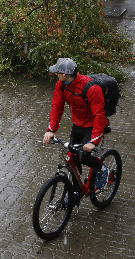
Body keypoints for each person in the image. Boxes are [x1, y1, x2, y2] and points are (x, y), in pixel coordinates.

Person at [42, 58, 109, 190]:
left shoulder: (92, 88)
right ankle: (77, 191)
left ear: (65, 75)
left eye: (58, 72)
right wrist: (51, 129)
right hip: (77, 124)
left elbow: (99, 115)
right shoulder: (61, 84)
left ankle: (102, 169)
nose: (56, 74)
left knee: (83, 157)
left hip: (92, 126)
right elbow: (57, 106)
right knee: (72, 157)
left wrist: (94, 142)